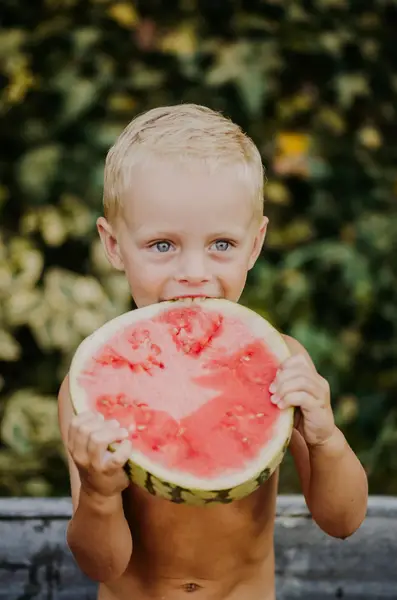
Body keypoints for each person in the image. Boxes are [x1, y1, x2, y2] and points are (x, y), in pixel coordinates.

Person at [58, 103, 368, 600]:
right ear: (114, 245)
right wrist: (98, 495)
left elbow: (344, 520)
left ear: (255, 244)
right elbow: (103, 564)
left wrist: (326, 439)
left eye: (221, 243)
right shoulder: (92, 388)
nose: (194, 272)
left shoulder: (282, 362)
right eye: (163, 245)